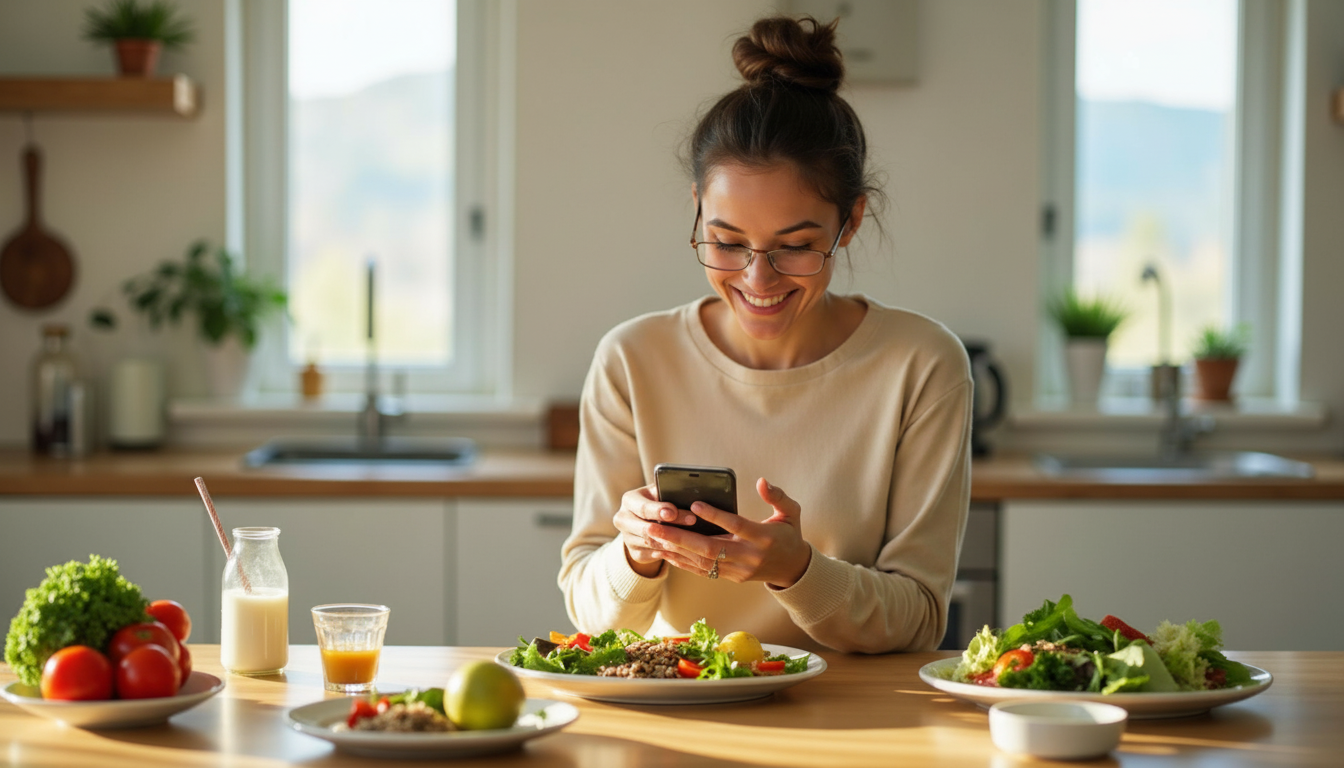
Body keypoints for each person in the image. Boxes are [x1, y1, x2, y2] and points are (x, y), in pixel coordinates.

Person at [558, 15, 972, 654]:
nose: (758, 278)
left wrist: (797, 571)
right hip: (680, 709)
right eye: (726, 242)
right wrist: (635, 555)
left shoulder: (921, 365)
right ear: (698, 207)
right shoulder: (632, 359)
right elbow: (591, 615)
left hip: (854, 724)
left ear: (851, 221)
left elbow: (919, 617)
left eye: (797, 246)